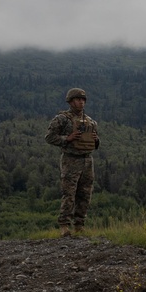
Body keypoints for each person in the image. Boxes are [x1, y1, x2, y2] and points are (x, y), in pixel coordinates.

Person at [45, 88, 100, 236]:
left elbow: (95, 144)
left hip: (87, 160)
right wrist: (66, 139)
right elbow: (49, 137)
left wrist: (96, 140)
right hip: (70, 159)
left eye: (83, 100)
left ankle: (80, 224)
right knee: (69, 194)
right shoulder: (61, 119)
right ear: (70, 101)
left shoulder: (91, 122)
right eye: (77, 99)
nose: (81, 102)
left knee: (85, 194)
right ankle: (64, 225)